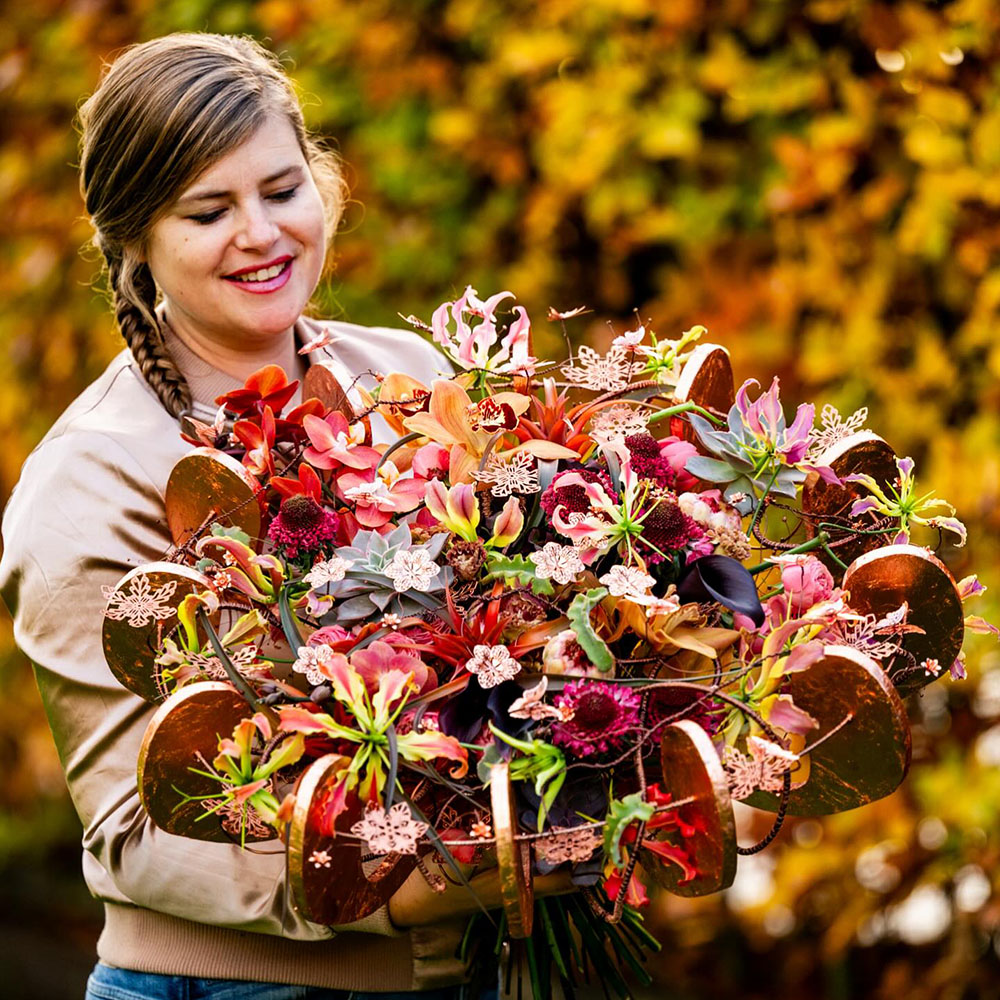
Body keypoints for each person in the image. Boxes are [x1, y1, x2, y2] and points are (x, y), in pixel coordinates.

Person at [0, 32, 568, 1000]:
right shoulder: (94, 479)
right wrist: (410, 885)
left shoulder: (414, 377)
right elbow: (134, 833)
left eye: (280, 188)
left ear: (324, 184)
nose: (260, 234)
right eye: (208, 210)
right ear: (134, 236)